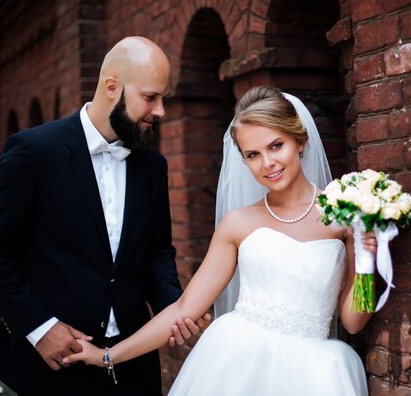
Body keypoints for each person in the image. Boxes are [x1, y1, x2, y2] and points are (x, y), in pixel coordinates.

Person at [65, 86, 378, 395]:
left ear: (300, 141)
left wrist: (366, 264)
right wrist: (107, 356)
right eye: (252, 155)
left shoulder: (345, 218)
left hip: (314, 375)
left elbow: (353, 322)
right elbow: (184, 308)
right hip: (236, 364)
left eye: (276, 146)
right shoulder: (237, 225)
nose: (267, 163)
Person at [0, 36, 208, 396]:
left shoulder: (153, 165)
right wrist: (39, 328)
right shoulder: (34, 152)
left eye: (163, 99)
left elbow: (157, 251)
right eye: (150, 97)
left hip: (132, 363)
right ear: (112, 86)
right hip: (51, 365)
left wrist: (177, 307)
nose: (160, 111)